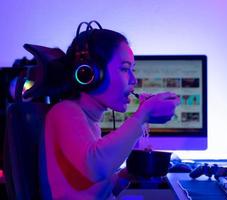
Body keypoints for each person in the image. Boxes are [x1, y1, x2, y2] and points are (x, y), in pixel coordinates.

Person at [44, 21, 180, 199]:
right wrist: (141, 116)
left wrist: (124, 177)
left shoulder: (90, 120)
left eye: (132, 70)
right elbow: (95, 167)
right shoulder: (65, 111)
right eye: (125, 69)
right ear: (90, 73)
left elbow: (92, 191)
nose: (134, 80)